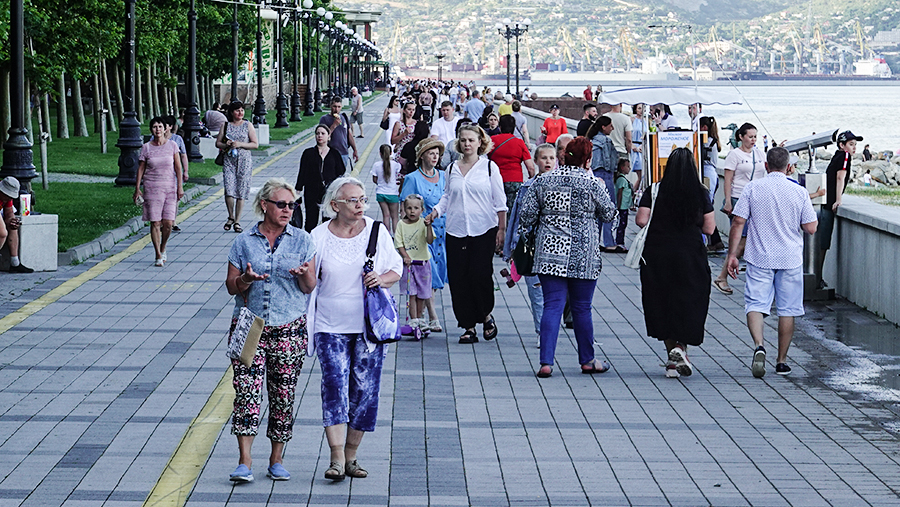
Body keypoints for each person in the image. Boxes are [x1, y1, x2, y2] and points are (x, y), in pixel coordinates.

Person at [307, 177, 403, 482]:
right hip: (329, 325)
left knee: (365, 390)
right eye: (352, 200)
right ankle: (336, 457)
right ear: (335, 205)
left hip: (368, 328)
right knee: (334, 386)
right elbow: (309, 281)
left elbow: (396, 268)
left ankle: (352, 456)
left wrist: (381, 279)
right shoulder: (318, 235)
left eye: (362, 199)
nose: (360, 205)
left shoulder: (377, 231)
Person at [224, 178, 316, 484]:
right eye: (281, 204)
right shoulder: (244, 241)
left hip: (289, 326)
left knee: (283, 395)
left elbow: (309, 287)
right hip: (250, 326)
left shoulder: (302, 240)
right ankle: (245, 461)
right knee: (246, 392)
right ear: (264, 205)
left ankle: (276, 460)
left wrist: (303, 275)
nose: (288, 210)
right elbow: (231, 286)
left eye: (292, 205)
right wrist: (246, 280)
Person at [519, 136, 617, 378]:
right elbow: (609, 214)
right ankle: (587, 360)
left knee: (552, 305)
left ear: (563, 156)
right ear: (588, 160)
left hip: (549, 253)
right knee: (582, 308)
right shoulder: (593, 184)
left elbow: (526, 215)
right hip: (584, 255)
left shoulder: (543, 181)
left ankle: (546, 362)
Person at [726, 147, 818, 377]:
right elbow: (811, 228)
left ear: (766, 166)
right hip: (789, 258)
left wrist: (732, 255)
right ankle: (782, 361)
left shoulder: (752, 188)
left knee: (755, 304)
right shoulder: (799, 192)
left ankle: (759, 345)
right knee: (787, 310)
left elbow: (738, 222)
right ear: (789, 167)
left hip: (759, 257)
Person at [636, 148, 716, 378]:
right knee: (689, 301)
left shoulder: (655, 189)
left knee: (662, 303)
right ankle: (681, 347)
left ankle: (672, 360)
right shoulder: (700, 192)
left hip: (657, 255)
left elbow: (641, 219)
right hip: (691, 255)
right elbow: (709, 228)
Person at [425, 124, 507, 344]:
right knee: (459, 278)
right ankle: (468, 325)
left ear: (480, 142)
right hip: (456, 230)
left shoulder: (489, 167)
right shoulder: (451, 168)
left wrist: (502, 229)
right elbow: (447, 196)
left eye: (471, 140)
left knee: (479, 274)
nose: (467, 144)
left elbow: (500, 202)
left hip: (484, 229)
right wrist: (436, 212)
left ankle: (485, 315)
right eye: (463, 140)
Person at [502, 143, 557, 347]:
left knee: (554, 293)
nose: (548, 162)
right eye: (544, 158)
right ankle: (542, 331)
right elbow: (516, 218)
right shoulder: (527, 187)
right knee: (536, 291)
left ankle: (550, 328)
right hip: (531, 248)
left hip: (554, 247)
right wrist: (511, 248)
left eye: (551, 158)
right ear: (535, 161)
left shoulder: (561, 185)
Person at [400, 138, 448, 332]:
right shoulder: (412, 178)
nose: (435, 157)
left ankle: (421, 316)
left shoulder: (444, 176)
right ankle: (433, 316)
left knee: (434, 278)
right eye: (431, 153)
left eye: (437, 154)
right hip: (421, 234)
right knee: (427, 275)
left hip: (442, 233)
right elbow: (404, 209)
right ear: (421, 156)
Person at [713, 123, 766, 295]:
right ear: (741, 137)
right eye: (750, 136)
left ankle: (727, 276)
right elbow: (728, 179)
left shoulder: (759, 154)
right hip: (739, 198)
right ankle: (722, 276)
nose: (753, 140)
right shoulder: (734, 155)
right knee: (741, 240)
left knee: (749, 240)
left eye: (755, 136)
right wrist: (728, 201)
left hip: (756, 200)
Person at [134, 117, 185, 266]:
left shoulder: (172, 145)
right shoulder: (146, 148)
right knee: (155, 222)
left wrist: (180, 186)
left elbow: (178, 168)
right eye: (155, 127)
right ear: (151, 130)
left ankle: (163, 247)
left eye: (160, 126)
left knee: (168, 223)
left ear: (166, 128)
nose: (158, 130)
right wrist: (137, 188)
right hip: (152, 188)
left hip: (169, 188)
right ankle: (157, 254)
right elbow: (141, 169)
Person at [817, 130, 862, 288]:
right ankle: (817, 279)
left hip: (824, 202)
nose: (854, 147)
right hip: (828, 205)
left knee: (821, 243)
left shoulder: (837, 155)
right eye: (851, 144)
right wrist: (838, 200)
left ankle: (817, 277)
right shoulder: (845, 156)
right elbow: (840, 177)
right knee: (823, 243)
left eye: (855, 144)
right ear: (842, 145)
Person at [394, 194, 435, 334]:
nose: (412, 211)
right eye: (409, 208)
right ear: (404, 209)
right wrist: (405, 256)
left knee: (422, 293)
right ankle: (414, 319)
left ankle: (420, 317)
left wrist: (429, 227)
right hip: (409, 265)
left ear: (422, 210)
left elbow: (429, 240)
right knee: (411, 293)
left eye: (416, 208)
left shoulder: (423, 223)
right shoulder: (401, 224)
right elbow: (399, 243)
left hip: (422, 263)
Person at [217, 101, 258, 234]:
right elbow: (218, 143)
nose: (240, 113)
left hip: (244, 160)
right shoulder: (225, 125)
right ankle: (231, 216)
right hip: (229, 160)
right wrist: (226, 144)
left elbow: (255, 144)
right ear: (231, 112)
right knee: (229, 189)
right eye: (237, 110)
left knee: (241, 190)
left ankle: (237, 221)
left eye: (242, 110)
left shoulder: (247, 125)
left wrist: (240, 144)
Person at [296, 125, 346, 232]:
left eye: (323, 133)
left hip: (329, 191)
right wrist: (298, 189)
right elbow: (302, 171)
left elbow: (341, 171)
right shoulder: (308, 153)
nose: (319, 136)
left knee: (328, 217)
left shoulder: (334, 153)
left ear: (328, 136)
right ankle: (310, 238)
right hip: (311, 190)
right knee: (311, 219)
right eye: (317, 133)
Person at [587, 116, 619, 253]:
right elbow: (609, 161)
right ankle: (609, 241)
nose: (612, 128)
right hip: (605, 175)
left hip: (594, 174)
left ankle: (596, 240)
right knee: (609, 208)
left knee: (596, 210)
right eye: (610, 126)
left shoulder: (592, 140)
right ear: (603, 127)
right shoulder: (606, 141)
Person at [491, 115, 536, 211]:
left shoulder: (492, 141)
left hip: (495, 180)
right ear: (513, 128)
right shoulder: (519, 142)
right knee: (513, 210)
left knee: (497, 208)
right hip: (515, 180)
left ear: (500, 127)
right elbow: (530, 167)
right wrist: (531, 180)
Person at [699, 116, 725, 252]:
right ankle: (715, 240)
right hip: (711, 174)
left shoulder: (707, 142)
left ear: (704, 128)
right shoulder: (713, 141)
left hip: (708, 174)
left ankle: (711, 240)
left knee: (705, 208)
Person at [0, 177, 32, 273]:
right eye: (7, 196)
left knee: (13, 226)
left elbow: (9, 213)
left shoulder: (7, 198)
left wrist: (12, 220)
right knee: (2, 233)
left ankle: (15, 263)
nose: (9, 199)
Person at [320, 96, 360, 172]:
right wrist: (334, 126)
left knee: (342, 175)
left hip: (343, 152)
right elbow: (322, 137)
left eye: (339, 107)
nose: (336, 109)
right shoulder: (324, 119)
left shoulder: (343, 117)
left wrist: (355, 150)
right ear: (331, 106)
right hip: (330, 152)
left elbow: (349, 135)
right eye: (334, 106)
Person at [371, 144, 401, 234]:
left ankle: (387, 235)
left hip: (380, 193)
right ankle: (396, 237)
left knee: (386, 215)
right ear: (391, 153)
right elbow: (400, 171)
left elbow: (374, 179)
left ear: (380, 153)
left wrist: (380, 183)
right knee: (395, 217)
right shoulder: (395, 165)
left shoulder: (376, 165)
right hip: (392, 193)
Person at [390, 98, 418, 172]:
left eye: (413, 110)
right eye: (409, 109)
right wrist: (403, 134)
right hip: (401, 151)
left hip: (413, 151)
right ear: (404, 111)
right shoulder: (399, 124)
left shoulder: (416, 123)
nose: (411, 112)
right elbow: (392, 141)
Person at [613, 158, 632, 253]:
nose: (629, 168)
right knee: (622, 225)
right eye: (628, 166)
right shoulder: (621, 180)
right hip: (622, 207)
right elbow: (620, 193)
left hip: (625, 206)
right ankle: (619, 242)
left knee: (623, 224)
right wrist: (619, 206)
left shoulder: (623, 179)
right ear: (622, 167)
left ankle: (620, 241)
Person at [630, 104, 645, 194]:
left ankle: (637, 193)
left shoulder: (646, 120)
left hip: (643, 146)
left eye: (642, 108)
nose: (641, 110)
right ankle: (632, 194)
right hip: (635, 146)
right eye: (639, 108)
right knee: (640, 174)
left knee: (643, 174)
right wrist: (632, 146)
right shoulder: (632, 120)